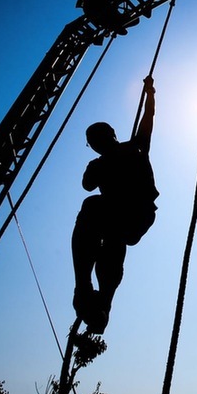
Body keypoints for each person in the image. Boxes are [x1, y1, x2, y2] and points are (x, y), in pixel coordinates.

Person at [71, 75, 159, 334]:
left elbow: (147, 123)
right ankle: (98, 302)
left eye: (99, 138)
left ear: (111, 134)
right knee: (110, 244)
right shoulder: (97, 165)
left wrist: (150, 96)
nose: (98, 145)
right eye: (94, 143)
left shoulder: (135, 148)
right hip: (115, 220)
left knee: (94, 210)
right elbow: (87, 184)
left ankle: (89, 291)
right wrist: (101, 165)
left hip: (136, 213)